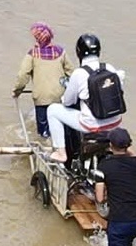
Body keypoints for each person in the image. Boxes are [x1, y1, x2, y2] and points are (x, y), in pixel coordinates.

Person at [51, 32, 127, 160]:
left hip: (91, 125)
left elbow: (68, 102)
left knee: (52, 110)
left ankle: (61, 153)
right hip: (115, 122)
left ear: (79, 52)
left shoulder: (79, 73)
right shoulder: (109, 68)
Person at [11, 23, 73, 137]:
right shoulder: (61, 52)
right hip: (59, 96)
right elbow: (71, 73)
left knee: (43, 129)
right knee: (59, 125)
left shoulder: (32, 54)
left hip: (42, 97)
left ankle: (45, 141)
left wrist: (17, 91)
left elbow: (23, 75)